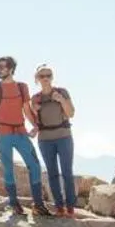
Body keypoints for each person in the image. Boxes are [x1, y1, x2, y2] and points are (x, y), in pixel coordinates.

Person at [0, 56, 47, 215]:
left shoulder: (22, 87)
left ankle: (38, 205)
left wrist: (35, 126)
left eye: (3, 67)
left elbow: (26, 110)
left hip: (21, 133)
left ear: (11, 69)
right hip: (3, 135)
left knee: (34, 165)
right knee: (8, 169)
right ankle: (14, 203)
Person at [32, 65, 79, 217]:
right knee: (52, 174)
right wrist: (34, 112)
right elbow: (35, 122)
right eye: (42, 76)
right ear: (37, 79)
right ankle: (59, 207)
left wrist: (61, 100)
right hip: (45, 140)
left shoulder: (62, 92)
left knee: (67, 172)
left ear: (52, 77)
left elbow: (71, 113)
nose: (45, 78)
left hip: (64, 137)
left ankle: (70, 207)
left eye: (48, 75)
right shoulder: (35, 98)